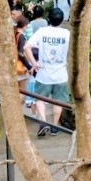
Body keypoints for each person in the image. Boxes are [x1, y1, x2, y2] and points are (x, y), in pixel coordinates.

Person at [24, 8, 70, 137]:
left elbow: (26, 47)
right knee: (58, 101)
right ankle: (54, 127)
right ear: (61, 20)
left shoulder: (42, 32)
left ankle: (43, 122)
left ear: (48, 19)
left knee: (39, 99)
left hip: (44, 74)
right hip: (61, 74)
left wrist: (34, 63)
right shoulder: (66, 33)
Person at [14, 15, 33, 95]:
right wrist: (29, 66)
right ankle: (16, 107)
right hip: (20, 66)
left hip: (14, 64)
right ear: (24, 25)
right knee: (23, 92)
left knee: (16, 91)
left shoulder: (14, 33)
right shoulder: (21, 36)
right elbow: (21, 53)